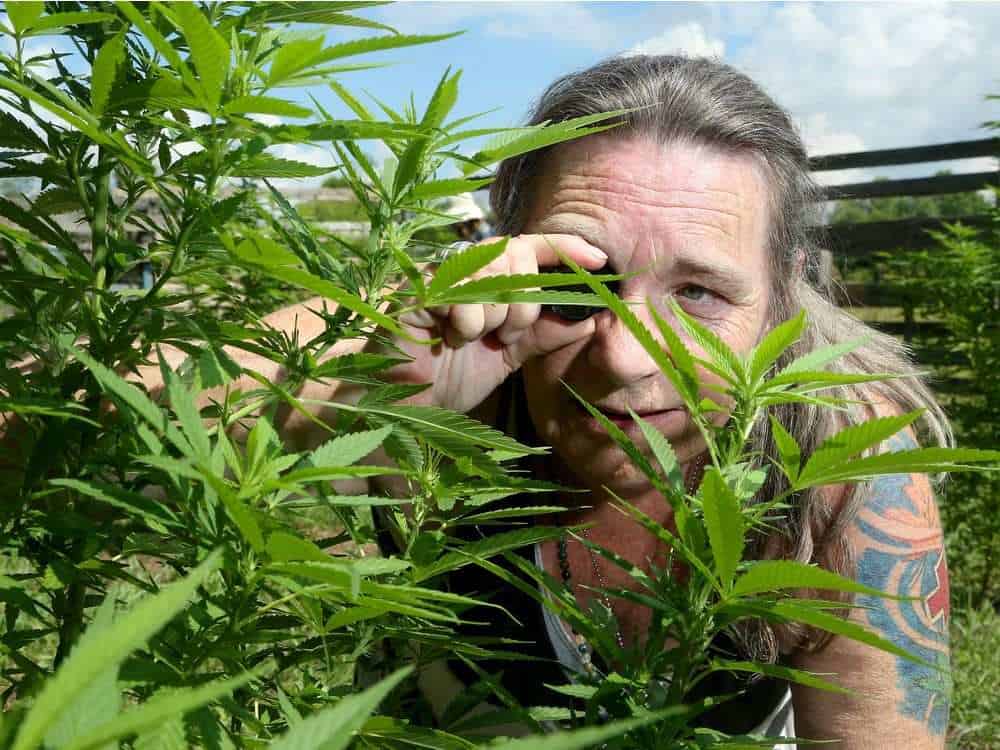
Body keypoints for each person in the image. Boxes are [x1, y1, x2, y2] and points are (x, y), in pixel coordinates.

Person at [183, 56, 955, 746]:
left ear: (782, 294)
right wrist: (378, 382)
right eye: (575, 283)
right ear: (503, 255)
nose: (623, 357)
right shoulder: (442, 359)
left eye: (698, 292)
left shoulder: (839, 460)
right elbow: (106, 431)